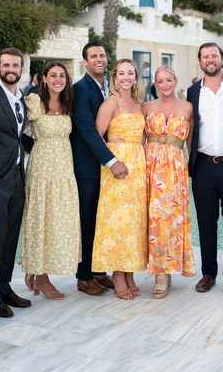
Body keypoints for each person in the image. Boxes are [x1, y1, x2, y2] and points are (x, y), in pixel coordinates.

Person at [187, 42, 223, 294]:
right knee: (206, 221)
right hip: (203, 166)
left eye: (214, 56)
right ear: (200, 62)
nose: (210, 60)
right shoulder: (192, 91)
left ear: (222, 59)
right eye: (205, 57)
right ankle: (208, 273)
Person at [70, 41, 128, 296]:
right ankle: (83, 277)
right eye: (93, 56)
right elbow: (87, 130)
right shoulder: (81, 89)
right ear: (85, 62)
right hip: (88, 167)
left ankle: (97, 270)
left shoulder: (109, 88)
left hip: (103, 167)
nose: (99, 59)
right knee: (86, 221)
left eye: (102, 55)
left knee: (100, 221)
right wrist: (112, 160)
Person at [21, 62, 81, 299]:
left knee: (59, 221)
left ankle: (36, 272)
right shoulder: (34, 102)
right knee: (40, 220)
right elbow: (17, 133)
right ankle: (41, 277)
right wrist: (33, 148)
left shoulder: (68, 103)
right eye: (53, 75)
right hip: (43, 170)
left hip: (64, 170)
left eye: (62, 75)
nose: (58, 79)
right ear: (43, 79)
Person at [0, 47, 31, 318]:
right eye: (6, 65)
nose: (11, 69)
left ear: (21, 69)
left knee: (12, 236)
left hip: (17, 177)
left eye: (16, 65)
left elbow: (18, 136)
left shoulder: (22, 99)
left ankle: (5, 287)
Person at [92, 59, 148, 299]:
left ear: (136, 77)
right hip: (118, 167)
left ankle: (128, 270)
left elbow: (144, 136)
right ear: (115, 77)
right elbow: (96, 135)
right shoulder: (110, 102)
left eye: (130, 73)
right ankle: (116, 273)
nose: (126, 77)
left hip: (138, 167)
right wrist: (113, 160)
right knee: (117, 221)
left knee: (134, 221)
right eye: (121, 73)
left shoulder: (139, 104)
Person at [143, 66, 195, 299]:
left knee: (170, 219)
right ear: (155, 84)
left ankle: (166, 270)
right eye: (159, 81)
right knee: (154, 219)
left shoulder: (187, 108)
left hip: (175, 169)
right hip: (150, 167)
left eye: (168, 80)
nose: (164, 85)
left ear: (176, 81)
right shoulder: (147, 107)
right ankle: (160, 273)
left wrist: (193, 170)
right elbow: (140, 140)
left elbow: (191, 143)